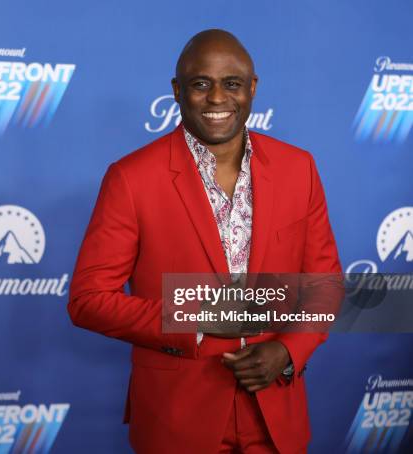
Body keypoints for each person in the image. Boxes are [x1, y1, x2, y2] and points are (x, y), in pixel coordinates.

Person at [68, 29, 342, 453]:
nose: (217, 98)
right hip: (176, 419)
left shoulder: (298, 168)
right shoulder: (131, 178)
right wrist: (193, 316)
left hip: (275, 417)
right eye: (201, 84)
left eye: (231, 83)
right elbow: (88, 300)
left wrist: (287, 351)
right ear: (177, 91)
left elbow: (325, 284)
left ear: (252, 89)